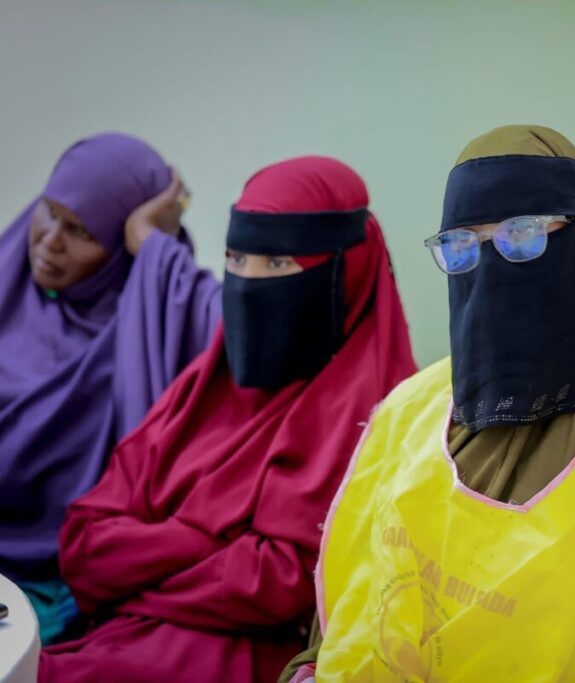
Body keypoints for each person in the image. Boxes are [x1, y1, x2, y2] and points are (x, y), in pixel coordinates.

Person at [281, 126, 575, 683]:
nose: (491, 265)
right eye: (463, 243)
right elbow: (346, 621)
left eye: (523, 234)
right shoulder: (410, 413)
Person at [38, 156, 417, 683]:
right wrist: (208, 546)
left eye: (277, 264)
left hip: (241, 661)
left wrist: (141, 563)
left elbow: (284, 585)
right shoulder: (205, 388)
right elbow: (84, 542)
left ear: (343, 272)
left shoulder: (381, 418)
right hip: (120, 636)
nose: (248, 281)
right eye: (236, 258)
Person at [0, 132, 220, 642]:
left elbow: (256, 328)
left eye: (81, 231)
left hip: (50, 595)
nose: (50, 240)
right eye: (49, 211)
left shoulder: (143, 338)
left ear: (123, 249)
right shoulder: (9, 291)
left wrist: (150, 239)